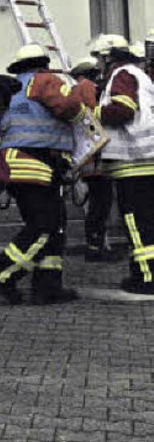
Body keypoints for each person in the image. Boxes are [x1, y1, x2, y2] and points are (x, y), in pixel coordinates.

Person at [0, 43, 93, 305]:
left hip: (17, 163)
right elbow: (69, 107)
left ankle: (48, 286)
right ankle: (2, 271)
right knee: (44, 227)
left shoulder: (14, 88)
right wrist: (84, 96)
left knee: (54, 226)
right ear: (43, 63)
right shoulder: (45, 80)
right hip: (37, 162)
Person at [95, 34, 154, 295]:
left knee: (134, 222)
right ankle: (141, 272)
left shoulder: (121, 75)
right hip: (146, 159)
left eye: (99, 58)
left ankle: (146, 277)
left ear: (109, 57)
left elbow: (123, 110)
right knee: (147, 222)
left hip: (133, 161)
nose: (98, 63)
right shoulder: (140, 75)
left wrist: (92, 112)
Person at [70, 51, 120, 262]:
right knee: (101, 205)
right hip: (97, 159)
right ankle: (96, 248)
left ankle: (95, 245)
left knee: (96, 205)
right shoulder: (87, 87)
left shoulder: (73, 90)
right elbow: (94, 115)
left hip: (85, 157)